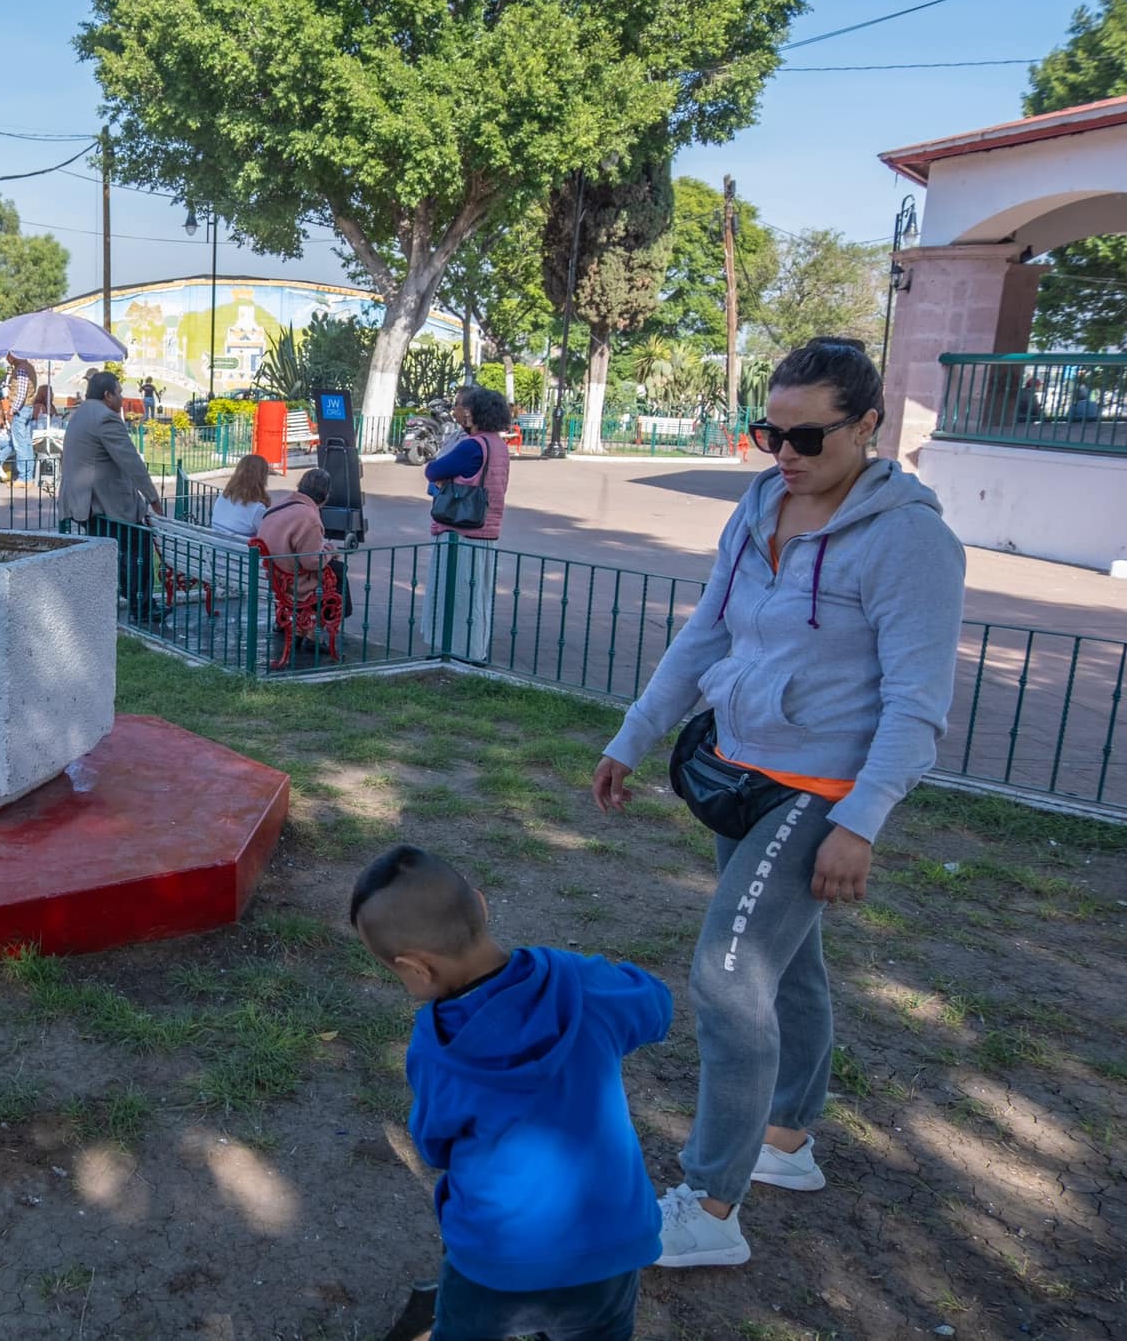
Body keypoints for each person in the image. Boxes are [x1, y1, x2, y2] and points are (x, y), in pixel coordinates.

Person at [591, 337, 966, 1269]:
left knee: (728, 970)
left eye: (808, 436)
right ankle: (788, 1142)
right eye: (770, 432)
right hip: (742, 764)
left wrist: (861, 822)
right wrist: (631, 736)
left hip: (825, 785)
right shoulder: (761, 503)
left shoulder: (911, 540)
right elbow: (707, 628)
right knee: (784, 966)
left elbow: (919, 706)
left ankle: (711, 1208)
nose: (786, 454)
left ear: (868, 426)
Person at [353, 845, 671, 1341]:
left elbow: (434, 1143)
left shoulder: (439, 1045)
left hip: (496, 1259)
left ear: (417, 967)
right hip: (611, 1244)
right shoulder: (584, 984)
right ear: (481, 904)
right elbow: (656, 1005)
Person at [58, 369, 166, 622]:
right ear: (107, 395)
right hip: (105, 503)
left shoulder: (80, 414)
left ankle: (131, 603)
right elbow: (130, 461)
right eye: (119, 393)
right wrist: (152, 497)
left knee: (110, 556)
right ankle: (143, 608)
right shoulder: (106, 418)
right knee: (137, 547)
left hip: (83, 502)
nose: (122, 398)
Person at [424, 386, 513, 663]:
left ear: (475, 413)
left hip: (461, 530)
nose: (460, 412)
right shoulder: (497, 444)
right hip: (486, 528)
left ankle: (454, 651)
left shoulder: (473, 446)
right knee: (477, 595)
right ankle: (473, 650)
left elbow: (433, 470)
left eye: (464, 408)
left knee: (456, 594)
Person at [256, 466, 334, 607]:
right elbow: (312, 562)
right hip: (289, 581)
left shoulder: (282, 503)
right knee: (337, 571)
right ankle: (328, 617)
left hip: (269, 573)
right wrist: (330, 550)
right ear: (326, 496)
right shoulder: (309, 518)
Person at [0, 357, 42, 486]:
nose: (7, 358)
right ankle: (28, 477)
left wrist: (12, 409)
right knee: (27, 444)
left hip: (20, 411)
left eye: (9, 354)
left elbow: (21, 392)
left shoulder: (21, 369)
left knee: (20, 445)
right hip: (28, 408)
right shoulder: (29, 367)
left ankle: (23, 478)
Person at [211, 453, 272, 539]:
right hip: (239, 552)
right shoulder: (256, 509)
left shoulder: (222, 497)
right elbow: (268, 537)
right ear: (262, 477)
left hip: (214, 550)